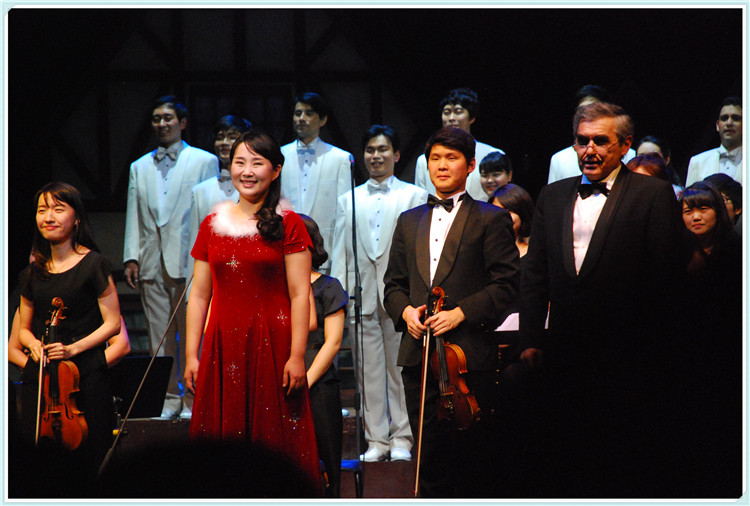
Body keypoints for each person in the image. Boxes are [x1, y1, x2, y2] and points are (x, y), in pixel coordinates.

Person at [520, 102, 683, 496]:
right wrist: (531, 339)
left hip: (626, 352)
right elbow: (535, 274)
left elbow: (665, 277)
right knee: (567, 456)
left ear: (625, 145)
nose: (589, 150)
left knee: (621, 459)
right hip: (563, 349)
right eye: (582, 141)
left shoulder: (653, 193)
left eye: (600, 141)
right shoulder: (552, 195)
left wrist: (654, 349)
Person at [384, 126, 519, 497]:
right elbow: (393, 285)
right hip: (419, 356)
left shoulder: (490, 218)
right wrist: (406, 312)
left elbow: (507, 284)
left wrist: (461, 313)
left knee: (471, 459)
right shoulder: (409, 220)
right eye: (435, 158)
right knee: (428, 458)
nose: (441, 165)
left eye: (451, 158)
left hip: (467, 357)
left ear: (470, 165)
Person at [184, 130, 321, 494]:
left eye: (257, 163)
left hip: (272, 344)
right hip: (222, 344)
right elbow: (199, 294)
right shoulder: (212, 224)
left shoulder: (290, 223)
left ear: (275, 170)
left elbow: (300, 294)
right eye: (239, 162)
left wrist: (297, 356)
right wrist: (191, 354)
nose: (246, 171)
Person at [330, 125, 427, 462]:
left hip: (401, 297)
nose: (376, 156)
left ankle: (403, 437)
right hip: (361, 295)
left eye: (382, 149)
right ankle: (376, 440)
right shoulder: (348, 199)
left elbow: (419, 251)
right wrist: (338, 296)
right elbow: (340, 250)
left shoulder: (414, 196)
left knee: (400, 370)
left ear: (396, 155)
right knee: (367, 372)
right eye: (370, 150)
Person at [123, 95, 219, 420]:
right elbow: (134, 213)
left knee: (193, 334)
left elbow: (210, 211)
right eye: (157, 119)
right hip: (151, 261)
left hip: (190, 261)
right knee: (158, 336)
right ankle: (167, 398)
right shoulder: (139, 166)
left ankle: (194, 398)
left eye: (168, 118)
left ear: (182, 122)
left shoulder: (204, 161)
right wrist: (131, 256)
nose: (162, 124)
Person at [17, 182, 122, 475]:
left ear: (76, 218)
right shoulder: (31, 273)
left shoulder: (95, 264)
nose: (48, 217)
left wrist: (72, 349)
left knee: (90, 464)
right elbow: (23, 330)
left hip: (84, 377)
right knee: (40, 468)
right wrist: (34, 345)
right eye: (42, 210)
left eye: (58, 209)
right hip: (41, 382)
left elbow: (113, 323)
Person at [673, 182, 742, 497]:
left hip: (728, 352)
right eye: (688, 211)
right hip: (684, 353)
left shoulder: (737, 251)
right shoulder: (673, 253)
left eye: (703, 208)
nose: (696, 217)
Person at [299, 214, 347, 497]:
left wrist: (305, 382)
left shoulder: (329, 286)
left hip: (317, 385)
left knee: (325, 462)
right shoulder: (273, 286)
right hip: (279, 381)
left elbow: (333, 342)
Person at [279, 92, 352, 274]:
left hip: (325, 252)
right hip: (284, 249)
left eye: (309, 113)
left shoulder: (340, 158)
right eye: (298, 113)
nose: (301, 118)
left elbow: (344, 213)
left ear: (323, 120)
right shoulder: (279, 156)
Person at [187, 115, 253, 287]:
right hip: (212, 279)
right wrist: (192, 290)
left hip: (251, 275)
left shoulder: (257, 186)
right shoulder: (201, 191)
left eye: (232, 137)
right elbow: (195, 243)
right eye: (220, 137)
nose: (224, 142)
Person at [414, 88, 505, 201]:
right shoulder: (424, 161)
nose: (451, 118)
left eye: (458, 112)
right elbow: (421, 202)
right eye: (446, 112)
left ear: (472, 118)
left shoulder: (492, 154)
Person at [547, 85, 635, 184]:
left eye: (601, 142)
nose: (589, 151)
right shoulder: (560, 159)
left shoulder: (630, 155)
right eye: (582, 111)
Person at [685, 96, 742, 186]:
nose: (729, 123)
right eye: (724, 118)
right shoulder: (697, 162)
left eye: (735, 118)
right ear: (717, 125)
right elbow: (690, 195)